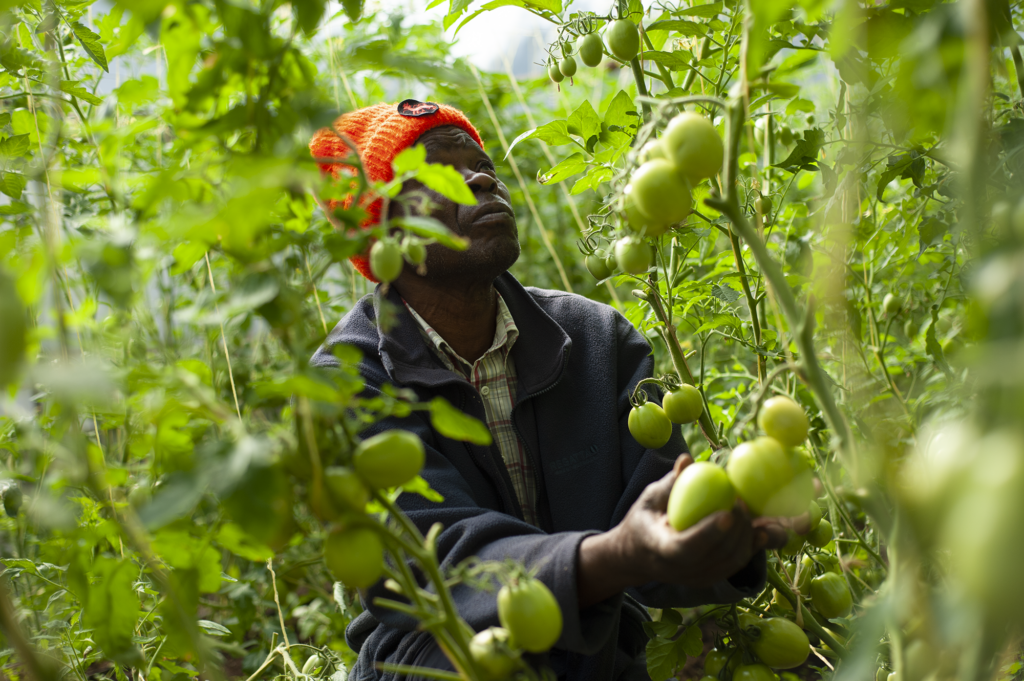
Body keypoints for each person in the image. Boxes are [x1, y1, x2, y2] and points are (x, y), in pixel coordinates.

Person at [308, 101, 788, 681]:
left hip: (599, 641)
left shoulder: (596, 339)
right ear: (384, 231)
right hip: (435, 657)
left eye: (482, 166)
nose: (481, 179)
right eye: (441, 174)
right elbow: (444, 566)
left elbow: (656, 536)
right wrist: (615, 556)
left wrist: (732, 534)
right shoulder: (346, 380)